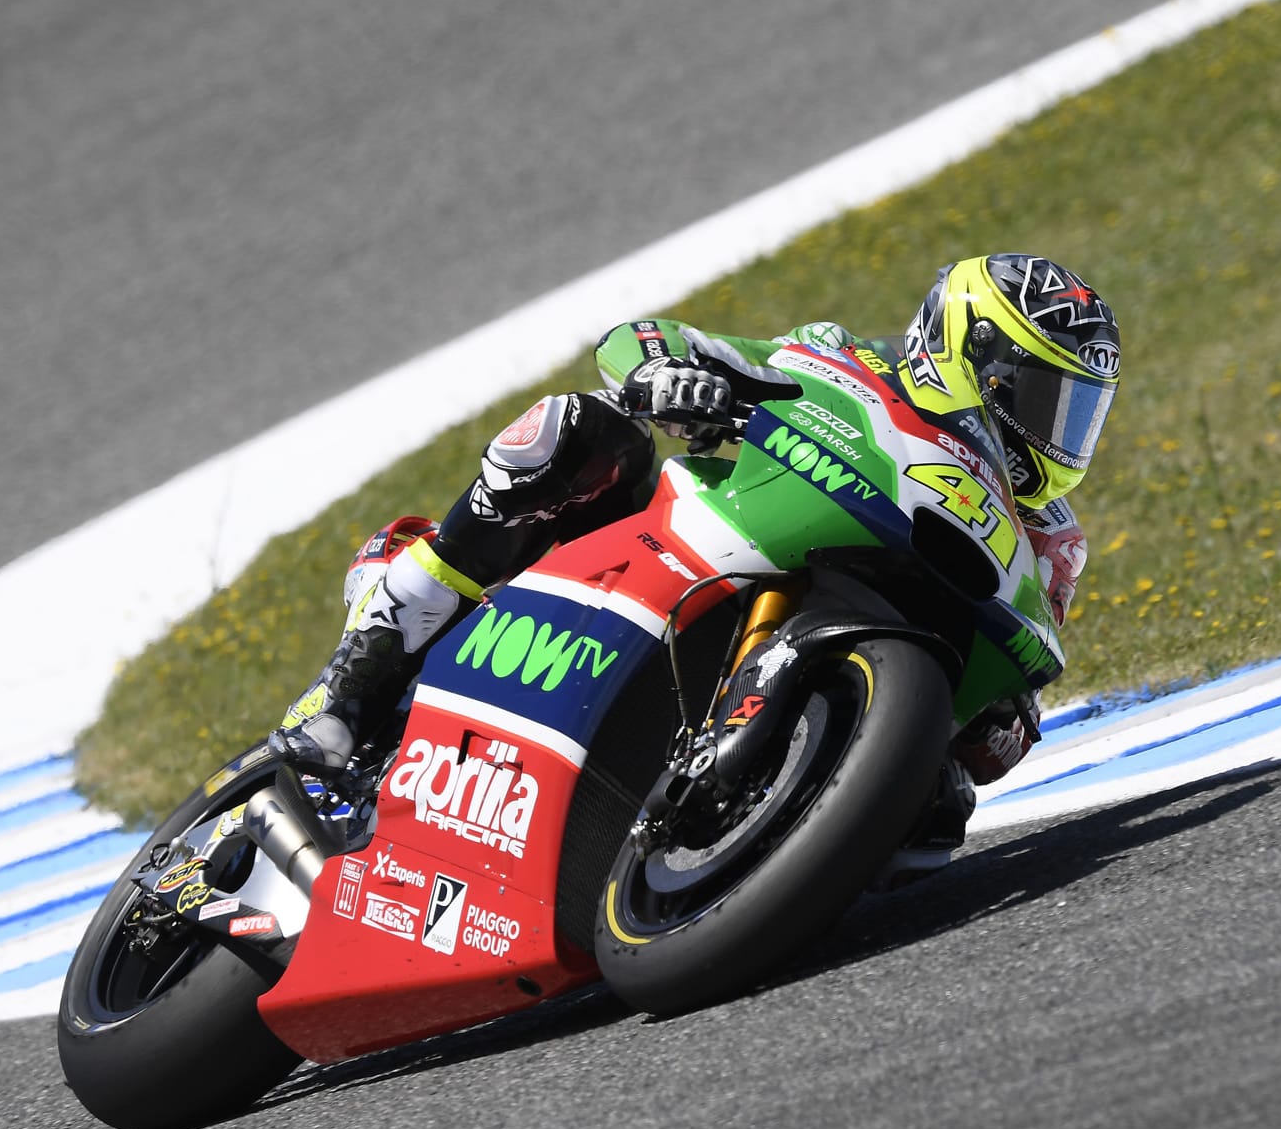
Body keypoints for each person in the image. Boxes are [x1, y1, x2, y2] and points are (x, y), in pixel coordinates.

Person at [273, 253, 1120, 879]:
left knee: (936, 818)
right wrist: (670, 376)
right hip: (700, 542)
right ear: (972, 355)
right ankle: (361, 674)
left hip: (874, 672)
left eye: (1078, 413)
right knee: (576, 433)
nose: (1059, 434)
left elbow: (1009, 713)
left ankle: (735, 855)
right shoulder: (841, 363)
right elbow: (643, 338)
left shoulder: (1049, 541)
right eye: (1043, 398)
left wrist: (1002, 720)